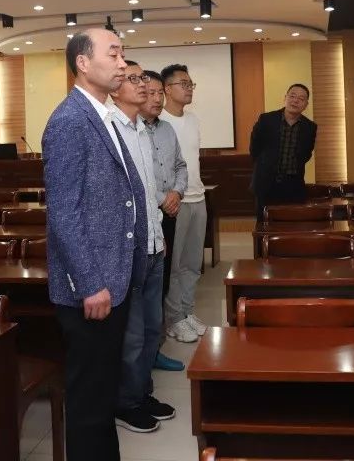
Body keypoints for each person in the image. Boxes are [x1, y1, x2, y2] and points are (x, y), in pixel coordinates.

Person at [42, 29, 148, 461]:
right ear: (83, 63)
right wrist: (89, 283)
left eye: (123, 55)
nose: (123, 64)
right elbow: (64, 212)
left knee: (103, 396)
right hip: (92, 288)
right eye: (114, 54)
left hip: (112, 279)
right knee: (89, 402)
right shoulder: (70, 120)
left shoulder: (100, 114)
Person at [108, 62, 177, 433]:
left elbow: (149, 191)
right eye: (134, 79)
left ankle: (141, 391)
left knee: (152, 329)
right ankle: (126, 402)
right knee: (132, 336)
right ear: (115, 87)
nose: (144, 86)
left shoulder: (142, 131)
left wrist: (159, 234)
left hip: (154, 243)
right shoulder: (110, 129)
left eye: (144, 80)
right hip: (130, 251)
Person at [140, 70, 188, 372]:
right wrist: (162, 198)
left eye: (160, 93)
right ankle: (145, 353)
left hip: (170, 212)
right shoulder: (131, 131)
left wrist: (177, 193)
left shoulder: (168, 129)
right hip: (149, 215)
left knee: (163, 281)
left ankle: (155, 349)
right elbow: (138, 177)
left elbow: (181, 165)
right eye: (151, 93)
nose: (157, 99)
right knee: (146, 288)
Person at [159, 64, 208, 343]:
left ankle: (187, 312)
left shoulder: (193, 120)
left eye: (191, 84)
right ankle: (174, 318)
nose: (189, 88)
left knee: (192, 263)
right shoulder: (159, 122)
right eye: (183, 84)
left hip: (198, 198)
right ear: (167, 89)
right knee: (174, 266)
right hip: (175, 203)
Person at [249, 83, 318, 225]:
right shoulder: (266, 120)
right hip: (266, 183)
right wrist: (264, 166)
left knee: (291, 225)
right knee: (263, 225)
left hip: (293, 184)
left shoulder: (310, 127)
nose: (295, 101)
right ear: (285, 98)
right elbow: (254, 148)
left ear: (306, 105)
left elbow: (307, 153)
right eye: (292, 96)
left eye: (301, 98)